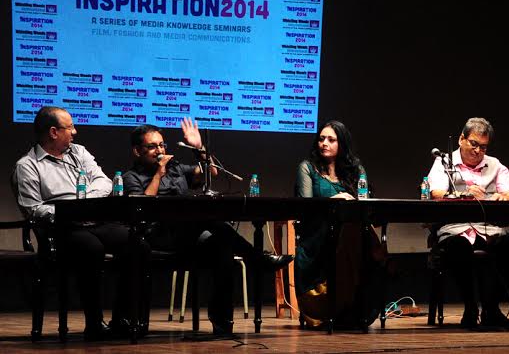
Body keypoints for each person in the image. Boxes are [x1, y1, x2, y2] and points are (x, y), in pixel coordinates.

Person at [122, 119, 292, 336]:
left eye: (162, 145)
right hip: (156, 238)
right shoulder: (130, 177)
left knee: (221, 246)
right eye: (152, 146)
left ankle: (222, 323)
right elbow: (142, 208)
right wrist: (158, 175)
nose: (160, 150)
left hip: (186, 235)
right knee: (206, 218)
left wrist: (199, 149)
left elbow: (210, 173)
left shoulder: (175, 168)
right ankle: (256, 259)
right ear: (137, 151)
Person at [14, 106, 149, 340]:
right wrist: (68, 211)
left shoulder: (79, 152)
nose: (75, 132)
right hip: (60, 228)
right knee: (91, 249)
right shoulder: (27, 165)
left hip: (92, 220)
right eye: (70, 127)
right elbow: (33, 208)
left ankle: (122, 319)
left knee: (137, 244)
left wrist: (83, 203)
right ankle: (94, 323)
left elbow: (104, 182)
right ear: (54, 132)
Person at [426, 117, 509, 329]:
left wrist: (501, 197)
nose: (478, 150)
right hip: (455, 231)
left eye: (483, 146)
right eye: (474, 144)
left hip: (488, 230)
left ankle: (491, 309)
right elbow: (435, 193)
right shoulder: (443, 162)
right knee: (458, 248)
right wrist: (464, 194)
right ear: (462, 139)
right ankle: (470, 308)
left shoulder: (495, 165)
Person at [294, 120, 385, 329]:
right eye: (321, 139)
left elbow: (365, 203)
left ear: (342, 144)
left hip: (350, 238)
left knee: (353, 227)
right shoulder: (307, 168)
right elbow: (306, 208)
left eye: (331, 140)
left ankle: (352, 304)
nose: (324, 143)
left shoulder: (356, 169)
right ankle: (381, 258)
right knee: (354, 229)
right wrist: (335, 200)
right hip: (318, 236)